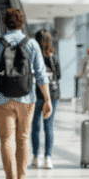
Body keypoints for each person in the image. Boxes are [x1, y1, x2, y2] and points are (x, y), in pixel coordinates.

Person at [0, 8, 52, 179]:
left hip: (2, 98)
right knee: (23, 138)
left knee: (6, 139)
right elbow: (42, 75)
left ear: (5, 23)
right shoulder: (32, 44)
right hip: (26, 98)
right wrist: (48, 99)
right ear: (21, 23)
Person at [31, 30, 61, 169]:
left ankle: (36, 157)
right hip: (52, 94)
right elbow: (58, 75)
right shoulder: (53, 57)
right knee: (48, 126)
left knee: (35, 126)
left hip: (36, 94)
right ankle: (48, 158)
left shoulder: (33, 56)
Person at [77, 47, 89, 113]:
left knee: (86, 95)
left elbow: (80, 70)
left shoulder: (85, 59)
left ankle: (85, 109)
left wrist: (80, 75)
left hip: (86, 79)